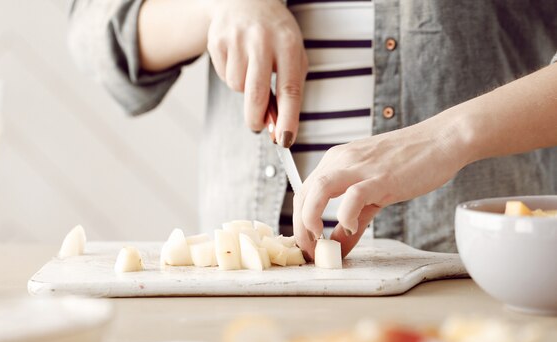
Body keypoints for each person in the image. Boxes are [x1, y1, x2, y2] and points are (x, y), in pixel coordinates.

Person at [68, 0, 556, 259]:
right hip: (246, 287)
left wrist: (444, 138)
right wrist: (214, 7)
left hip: (471, 275)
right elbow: (94, 31)